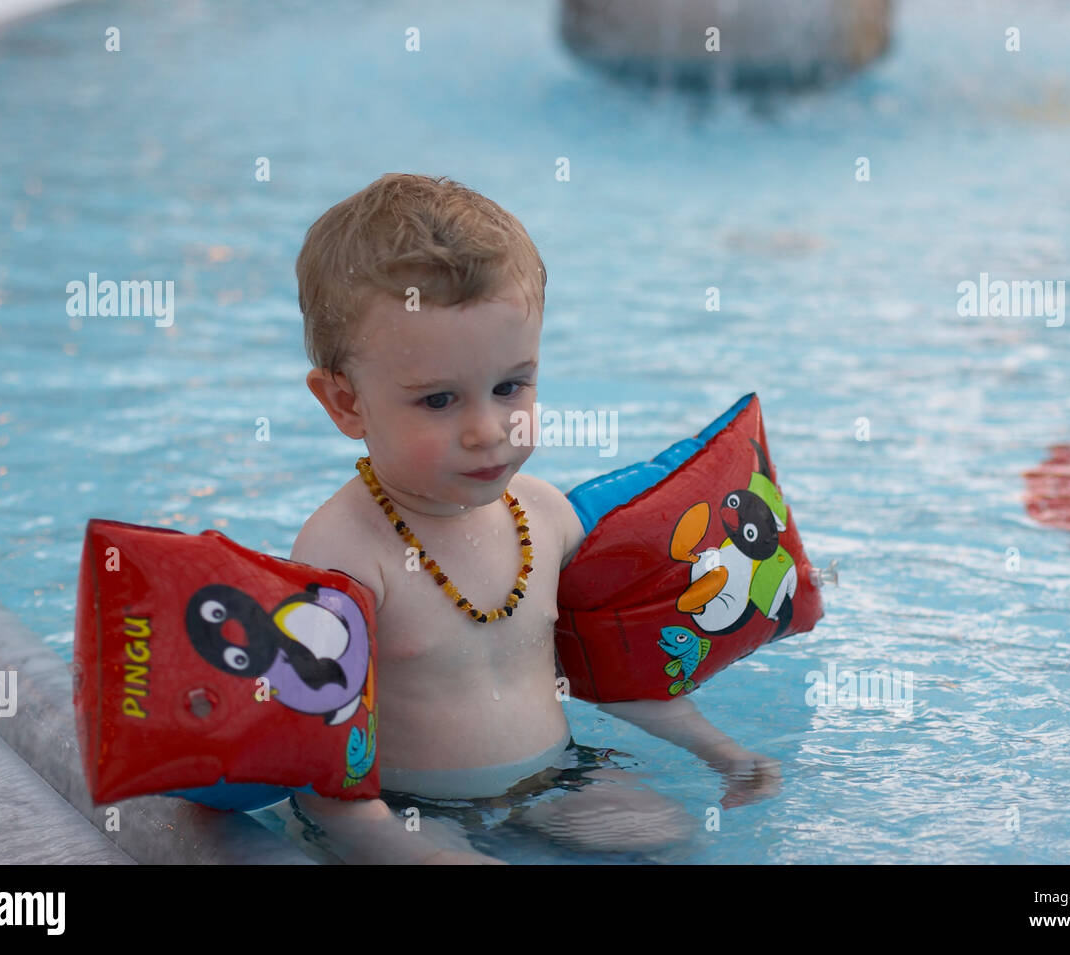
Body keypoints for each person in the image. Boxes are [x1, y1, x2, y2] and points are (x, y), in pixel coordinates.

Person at [289, 173, 781, 864]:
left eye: (509, 385)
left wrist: (722, 754)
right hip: (402, 806)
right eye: (438, 400)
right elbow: (318, 763)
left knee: (667, 836)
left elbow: (614, 669)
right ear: (345, 404)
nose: (488, 429)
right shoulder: (342, 552)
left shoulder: (543, 518)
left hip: (555, 775)